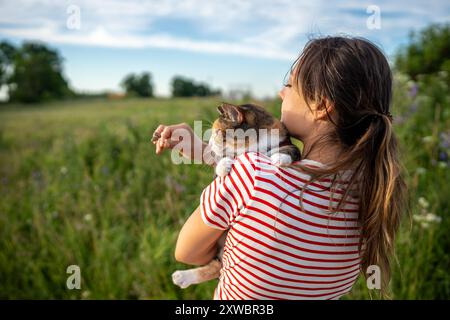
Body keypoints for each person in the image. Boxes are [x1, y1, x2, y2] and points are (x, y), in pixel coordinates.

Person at [152, 36, 408, 300]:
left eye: (290, 84)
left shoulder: (252, 177)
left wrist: (219, 165)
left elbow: (186, 252)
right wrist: (209, 154)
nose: (281, 92)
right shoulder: (375, 196)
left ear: (321, 106)